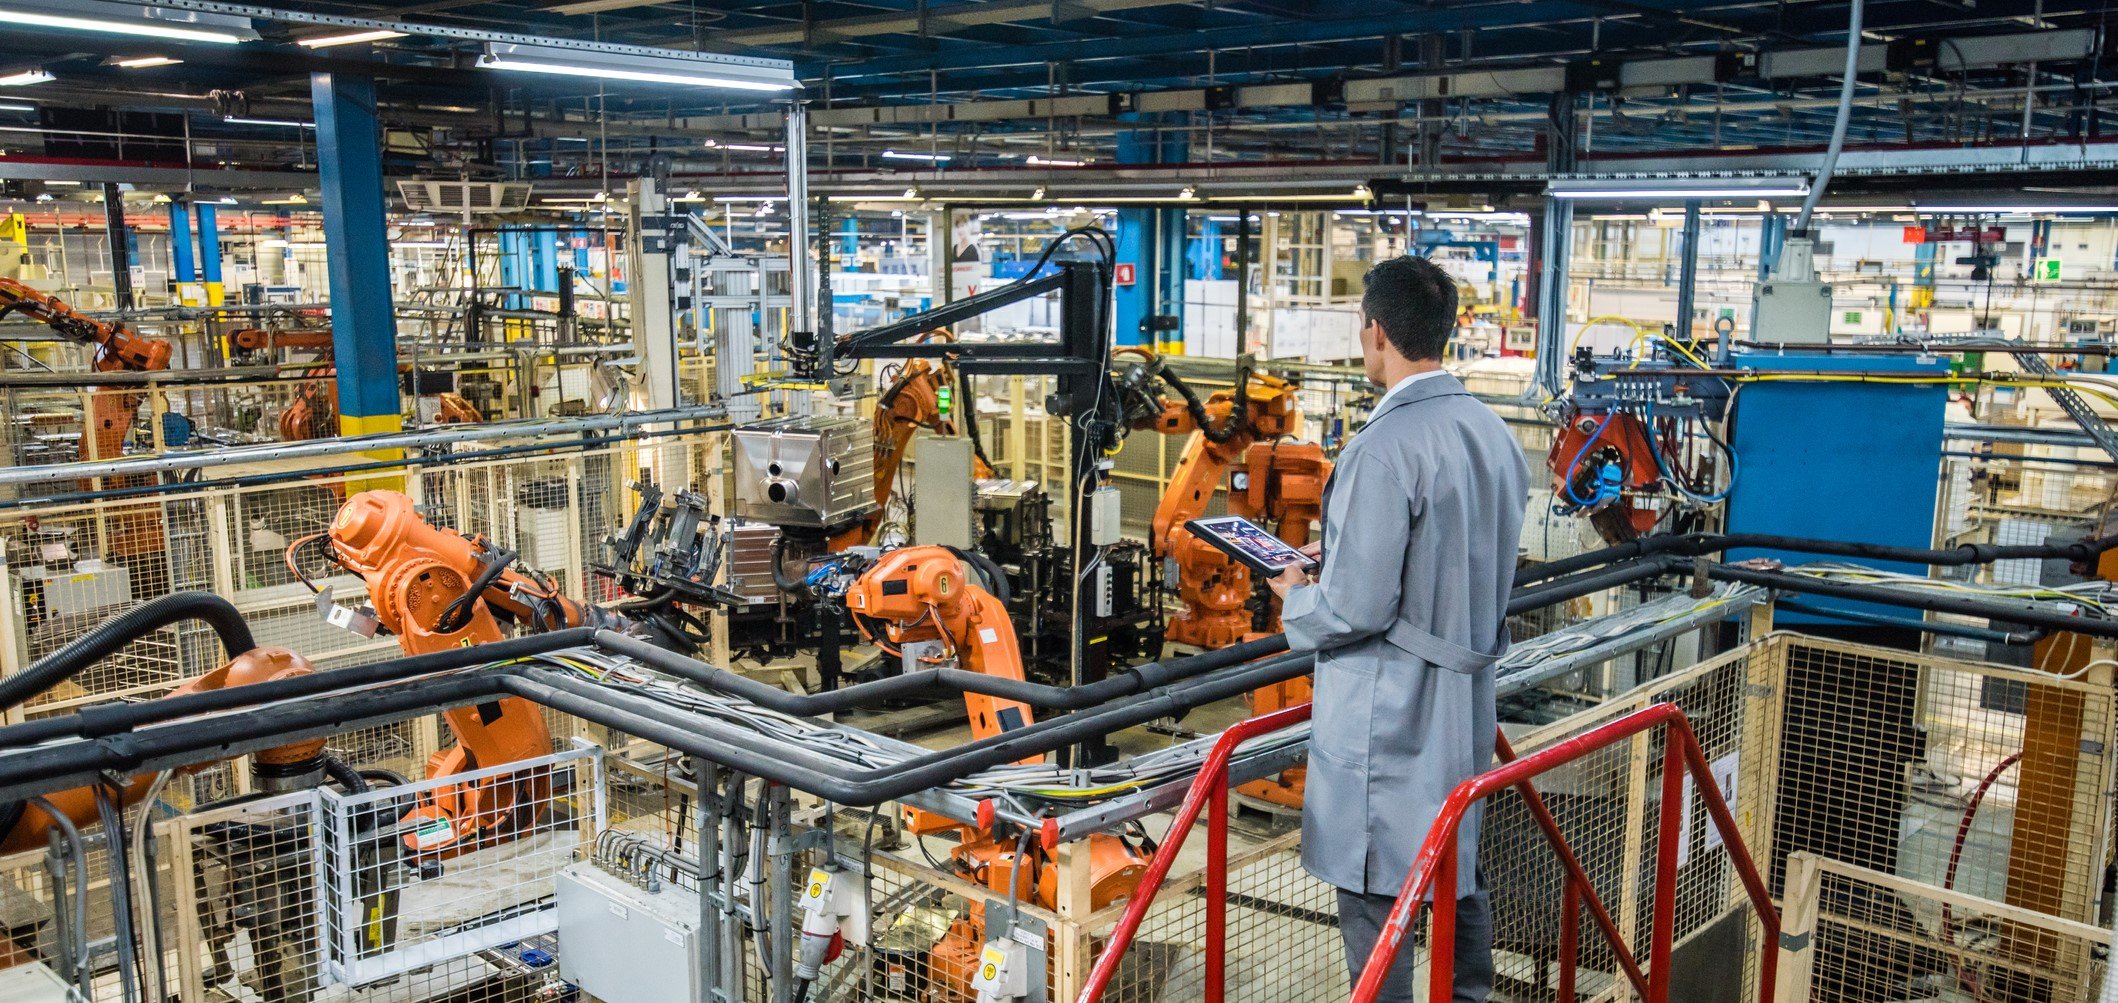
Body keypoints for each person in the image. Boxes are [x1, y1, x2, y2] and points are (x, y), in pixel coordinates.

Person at [1266, 255, 1528, 1002]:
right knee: (1456, 872)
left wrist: (1296, 593)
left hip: (1393, 717)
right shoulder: (1491, 432)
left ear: (1374, 331)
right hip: (1465, 703)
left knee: (1380, 895)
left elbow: (1355, 609)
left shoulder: (1381, 448)